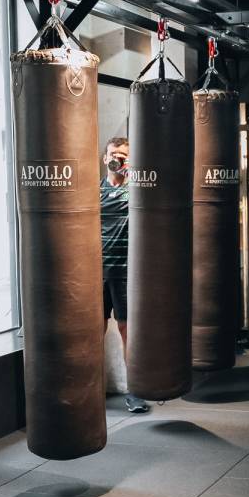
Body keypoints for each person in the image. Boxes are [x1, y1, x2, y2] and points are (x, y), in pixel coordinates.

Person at [100, 135, 149, 414]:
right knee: (91, 331)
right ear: (105, 158)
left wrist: (132, 172)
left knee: (127, 330)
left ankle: (136, 391)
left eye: (123, 155)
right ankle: (90, 390)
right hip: (95, 271)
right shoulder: (94, 191)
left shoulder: (138, 189)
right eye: (113, 154)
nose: (116, 158)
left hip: (126, 272)